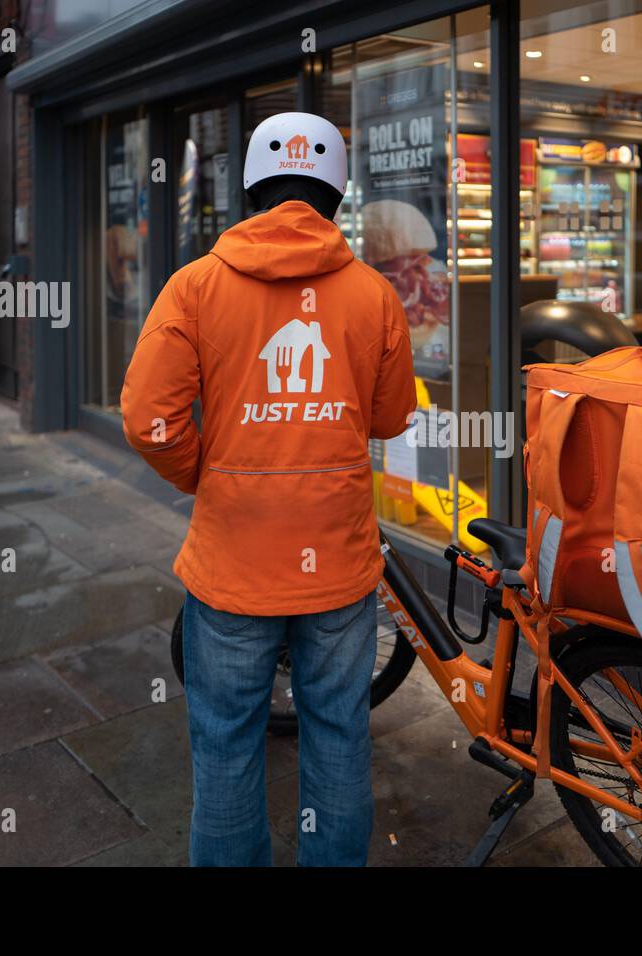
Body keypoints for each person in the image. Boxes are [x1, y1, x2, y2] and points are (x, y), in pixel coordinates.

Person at [121, 112, 416, 867]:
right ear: (337, 191)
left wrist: (206, 475)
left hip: (232, 565)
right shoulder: (373, 296)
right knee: (340, 733)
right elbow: (390, 417)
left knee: (223, 743)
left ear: (250, 187)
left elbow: (148, 419)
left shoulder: (195, 287)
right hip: (340, 564)